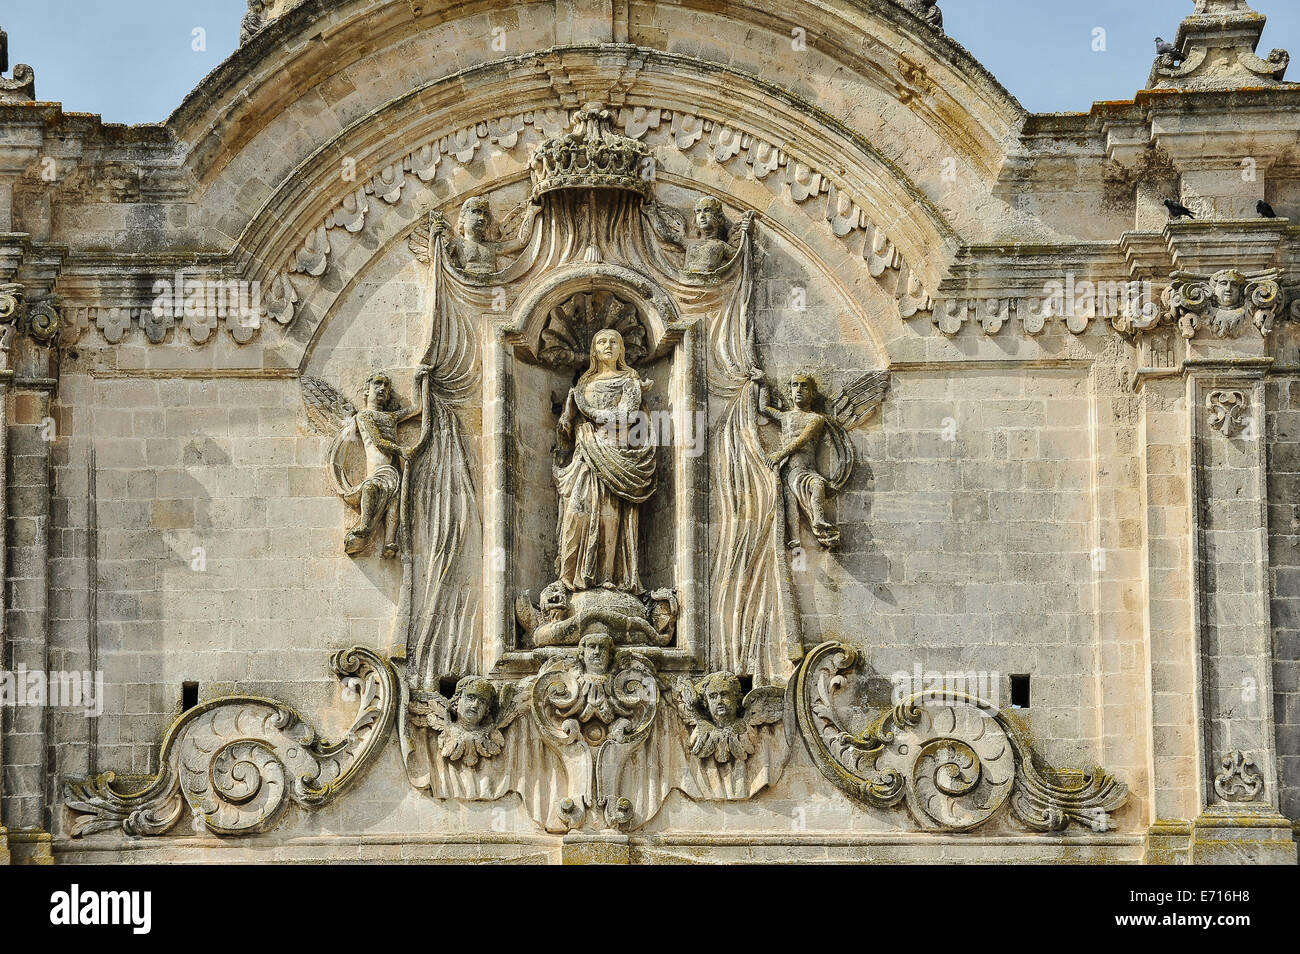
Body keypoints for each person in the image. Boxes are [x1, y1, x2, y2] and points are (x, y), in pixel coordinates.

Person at [554, 329, 657, 593]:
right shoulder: (584, 384)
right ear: (594, 351)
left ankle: (608, 578)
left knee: (610, 518)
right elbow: (567, 430)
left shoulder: (629, 381)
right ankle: (570, 578)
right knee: (576, 513)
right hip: (585, 458)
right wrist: (568, 415)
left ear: (621, 349)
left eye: (614, 342)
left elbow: (624, 416)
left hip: (615, 456)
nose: (608, 346)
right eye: (602, 342)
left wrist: (584, 407)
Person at [761, 372, 839, 550]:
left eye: (804, 386)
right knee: (790, 506)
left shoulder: (815, 418)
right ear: (790, 391)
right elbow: (764, 408)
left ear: (812, 393)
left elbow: (802, 440)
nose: (799, 389)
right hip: (787, 469)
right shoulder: (784, 417)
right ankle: (794, 539)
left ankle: (818, 519)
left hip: (805, 468)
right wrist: (762, 382)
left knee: (817, 484)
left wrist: (778, 454)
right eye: (795, 385)